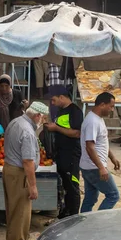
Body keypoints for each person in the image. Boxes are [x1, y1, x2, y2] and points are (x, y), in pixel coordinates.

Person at [2, 102, 50, 240]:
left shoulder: (15, 122)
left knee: (14, 209)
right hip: (19, 173)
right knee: (21, 211)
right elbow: (28, 161)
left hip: (9, 169)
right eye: (42, 118)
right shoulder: (28, 132)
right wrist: (33, 185)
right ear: (37, 116)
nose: (42, 122)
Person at [44, 85, 84, 218]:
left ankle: (74, 215)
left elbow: (77, 133)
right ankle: (65, 212)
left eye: (54, 100)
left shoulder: (75, 111)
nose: (53, 103)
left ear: (62, 97)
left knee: (72, 186)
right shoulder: (60, 111)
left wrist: (56, 128)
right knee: (64, 185)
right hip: (60, 154)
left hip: (71, 155)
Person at [80, 92, 121, 213]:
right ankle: (97, 223)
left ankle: (84, 224)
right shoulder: (92, 121)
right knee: (113, 195)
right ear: (102, 104)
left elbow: (101, 142)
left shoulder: (98, 119)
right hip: (94, 167)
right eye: (111, 106)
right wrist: (101, 167)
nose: (112, 109)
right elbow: (90, 147)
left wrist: (112, 157)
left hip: (90, 166)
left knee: (90, 197)